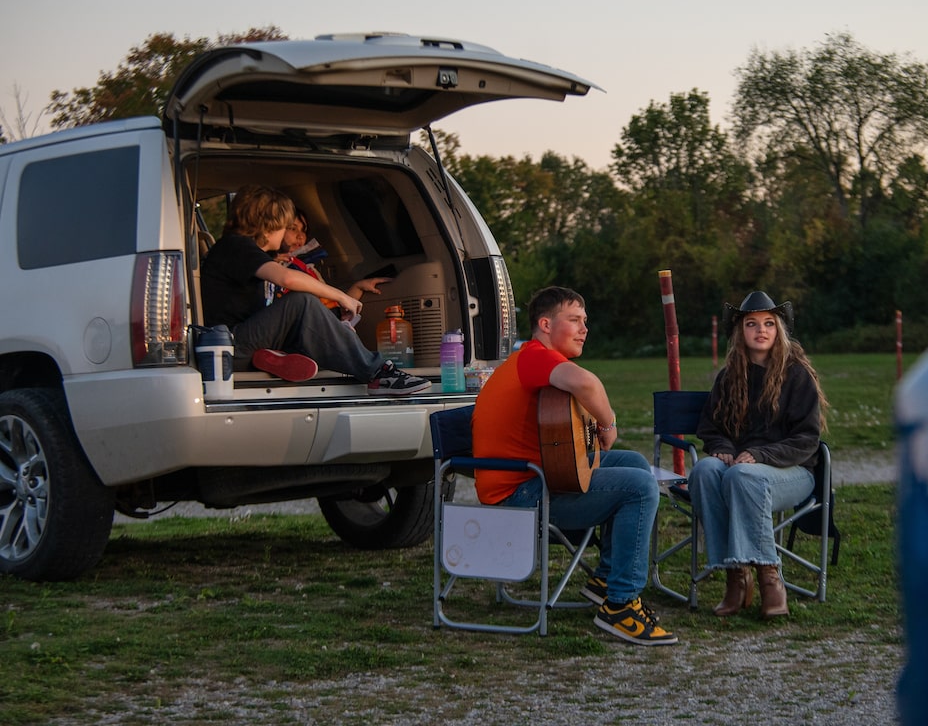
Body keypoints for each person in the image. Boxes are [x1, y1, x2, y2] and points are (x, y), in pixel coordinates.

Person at [471, 286, 678, 646]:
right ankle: (621, 607)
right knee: (639, 487)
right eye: (575, 320)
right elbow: (586, 383)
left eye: (585, 321)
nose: (584, 329)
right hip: (518, 497)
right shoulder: (534, 357)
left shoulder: (537, 362)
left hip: (538, 479)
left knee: (632, 462)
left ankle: (606, 579)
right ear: (545, 324)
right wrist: (608, 425)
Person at [200, 183, 430, 395]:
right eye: (285, 226)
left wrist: (335, 318)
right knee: (301, 301)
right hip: (229, 346)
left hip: (243, 341)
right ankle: (378, 374)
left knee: (305, 313)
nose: (284, 232)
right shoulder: (235, 246)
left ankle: (278, 357)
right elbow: (287, 279)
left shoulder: (242, 252)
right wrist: (340, 296)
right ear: (270, 223)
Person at [691, 291, 828, 618]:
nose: (761, 330)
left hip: (792, 472)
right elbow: (710, 427)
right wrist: (723, 448)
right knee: (704, 471)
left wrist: (760, 454)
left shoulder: (796, 375)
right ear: (740, 332)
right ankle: (736, 575)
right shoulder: (729, 377)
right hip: (741, 468)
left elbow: (807, 439)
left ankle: (770, 577)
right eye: (751, 324)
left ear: (779, 329)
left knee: (743, 475)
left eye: (768, 323)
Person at [274, 206, 391, 311]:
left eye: (304, 230)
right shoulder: (271, 267)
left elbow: (332, 308)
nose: (300, 236)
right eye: (293, 228)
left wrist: (358, 287)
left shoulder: (309, 268)